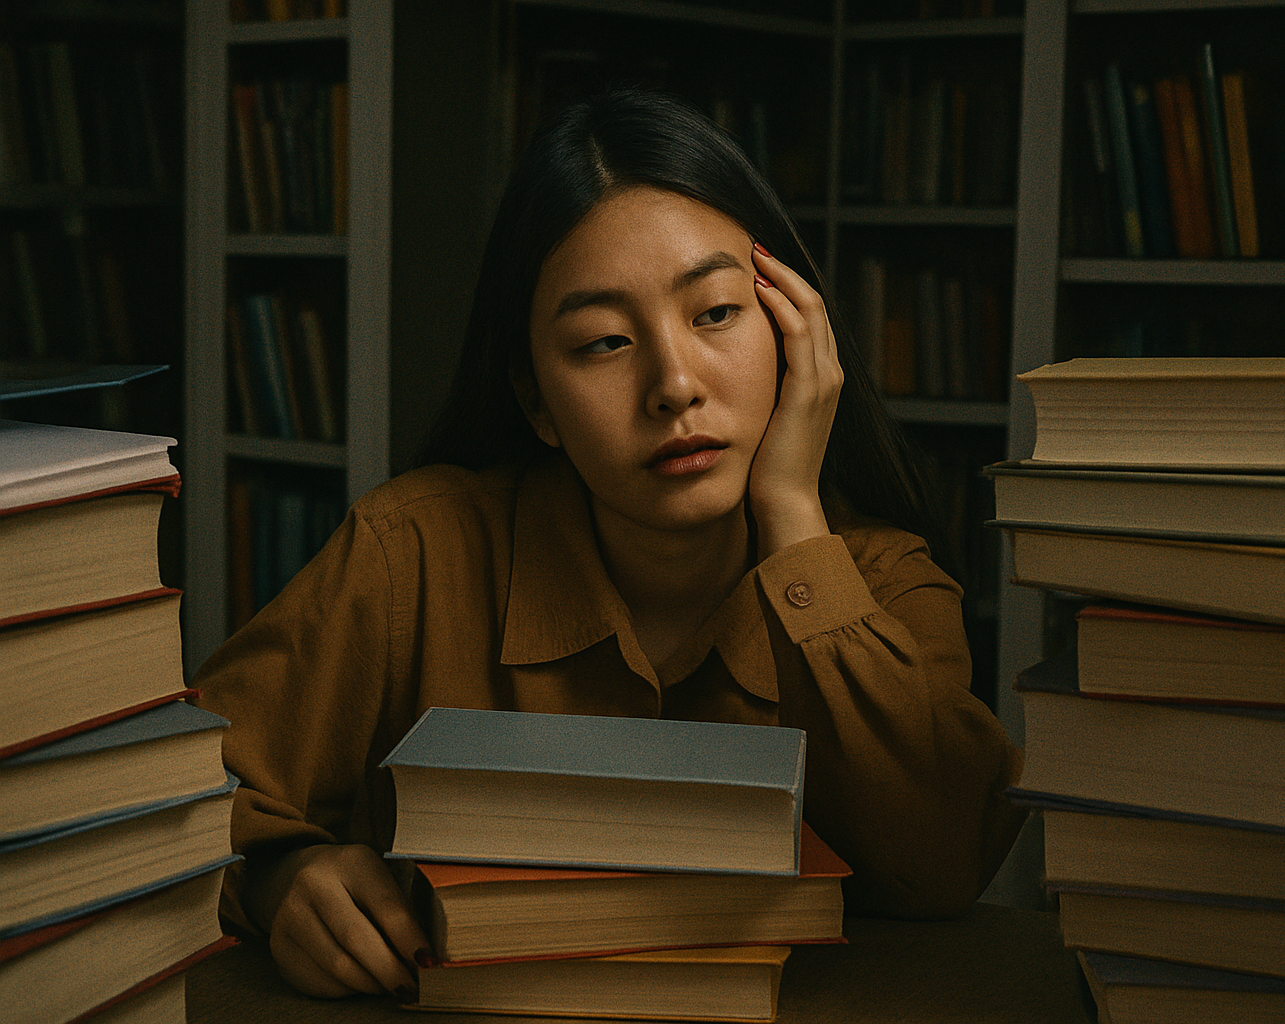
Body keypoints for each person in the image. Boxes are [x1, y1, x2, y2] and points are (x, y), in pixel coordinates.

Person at [193, 87, 1026, 1002]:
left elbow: (947, 864)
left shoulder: (879, 581)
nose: (673, 385)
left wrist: (791, 510)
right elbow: (174, 795)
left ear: (798, 334)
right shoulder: (414, 552)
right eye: (602, 342)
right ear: (535, 401)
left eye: (715, 314)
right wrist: (277, 881)